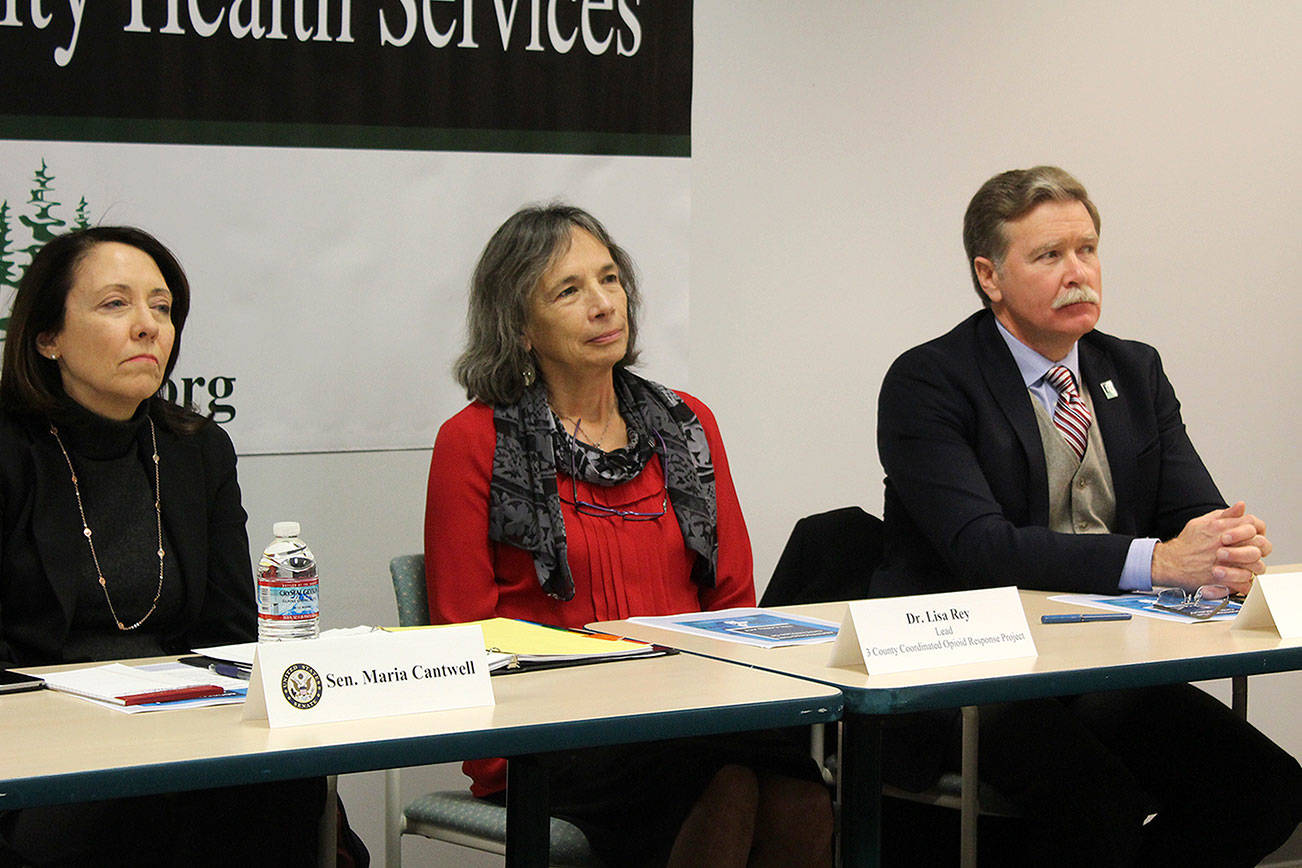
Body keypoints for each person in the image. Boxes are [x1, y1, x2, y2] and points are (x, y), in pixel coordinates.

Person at [873, 166, 1302, 866]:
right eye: (1048, 256)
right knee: (1099, 803)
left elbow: (1193, 511)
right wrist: (1159, 562)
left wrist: (1227, 546)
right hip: (972, 673)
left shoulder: (1132, 370)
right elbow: (983, 550)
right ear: (990, 276)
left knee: (1267, 788)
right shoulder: (930, 381)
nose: (1079, 273)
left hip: (1101, 668)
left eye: (1088, 249)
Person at [425, 204, 834, 867]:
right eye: (569, 290)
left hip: (690, 714)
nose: (602, 305)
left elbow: (732, 605)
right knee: (723, 782)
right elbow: (459, 630)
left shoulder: (686, 424)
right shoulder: (475, 442)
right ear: (520, 326)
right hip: (551, 732)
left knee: (797, 787)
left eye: (610, 280)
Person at [0, 226, 326, 866]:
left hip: (177, 728)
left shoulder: (196, 449)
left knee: (284, 788)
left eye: (162, 306)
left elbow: (232, 626)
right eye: (115, 304)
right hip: (36, 739)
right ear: (48, 337)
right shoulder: (10, 448)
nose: (149, 326)